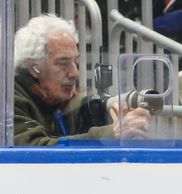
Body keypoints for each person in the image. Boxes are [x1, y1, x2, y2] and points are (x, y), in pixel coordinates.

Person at [14, 14, 150, 146]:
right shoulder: (8, 100)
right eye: (63, 63)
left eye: (75, 62)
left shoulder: (52, 95)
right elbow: (35, 149)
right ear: (34, 68)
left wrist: (109, 106)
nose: (75, 72)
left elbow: (79, 106)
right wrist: (111, 134)